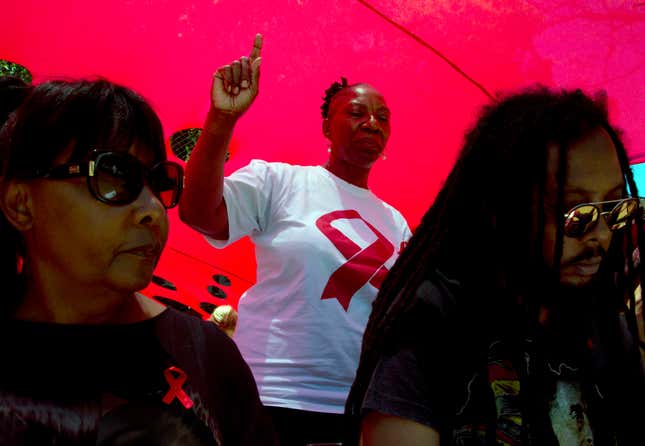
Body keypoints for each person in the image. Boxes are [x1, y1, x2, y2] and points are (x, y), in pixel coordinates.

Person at [346, 87, 645, 445]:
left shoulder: (604, 324)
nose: (600, 237)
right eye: (575, 212)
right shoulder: (434, 319)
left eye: (614, 208)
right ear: (500, 211)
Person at [0, 76, 276, 445]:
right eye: (114, 175)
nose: (152, 211)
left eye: (159, 181)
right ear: (21, 202)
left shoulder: (206, 354)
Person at [179, 34, 411, 445]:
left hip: (352, 410)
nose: (371, 123)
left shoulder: (397, 223)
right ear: (327, 125)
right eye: (356, 112)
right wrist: (221, 119)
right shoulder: (279, 181)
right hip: (267, 396)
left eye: (382, 116)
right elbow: (199, 213)